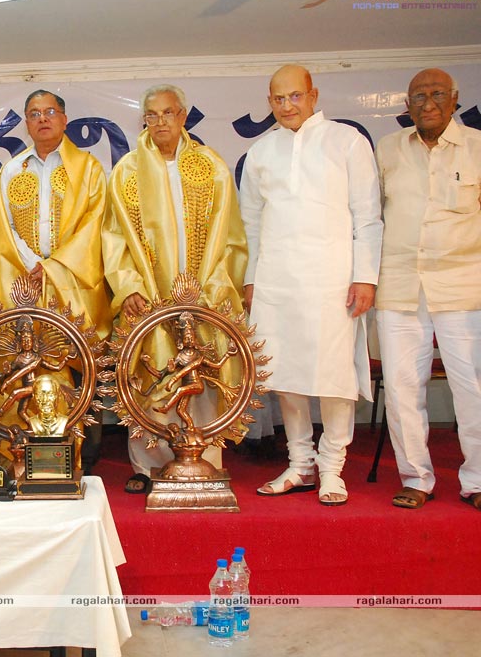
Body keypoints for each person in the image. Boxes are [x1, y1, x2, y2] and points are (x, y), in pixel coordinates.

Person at [239, 64, 383, 506]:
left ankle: (332, 468)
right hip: (277, 283)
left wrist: (365, 277)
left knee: (334, 377)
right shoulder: (261, 151)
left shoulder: (347, 141)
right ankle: (299, 464)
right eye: (278, 99)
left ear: (313, 95)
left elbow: (367, 215)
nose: (287, 106)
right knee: (288, 376)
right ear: (269, 103)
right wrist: (251, 279)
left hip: (333, 281)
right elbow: (252, 223)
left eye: (295, 96)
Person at [104, 83, 248, 494]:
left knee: (201, 373)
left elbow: (232, 235)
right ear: (144, 119)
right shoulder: (126, 172)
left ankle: (204, 459)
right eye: (153, 114)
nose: (161, 120)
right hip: (147, 292)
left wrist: (216, 285)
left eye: (169, 112)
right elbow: (113, 238)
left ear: (183, 116)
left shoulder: (211, 166)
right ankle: (148, 465)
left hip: (203, 291)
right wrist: (128, 284)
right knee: (151, 375)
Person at [374, 68, 481, 511]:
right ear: (406, 105)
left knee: (472, 387)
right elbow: (369, 217)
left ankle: (476, 480)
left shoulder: (477, 147)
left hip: (464, 288)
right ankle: (416, 477)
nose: (428, 103)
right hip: (398, 287)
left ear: (455, 99)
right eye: (419, 96)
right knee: (401, 390)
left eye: (437, 94)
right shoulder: (388, 149)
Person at [0, 90, 110, 338]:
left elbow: (93, 226)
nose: (43, 119)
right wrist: (34, 264)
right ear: (26, 124)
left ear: (64, 120)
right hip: (26, 278)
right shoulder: (11, 170)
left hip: (73, 279)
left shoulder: (89, 168)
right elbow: (4, 226)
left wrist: (53, 267)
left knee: (75, 355)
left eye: (50, 112)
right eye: (35, 114)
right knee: (27, 355)